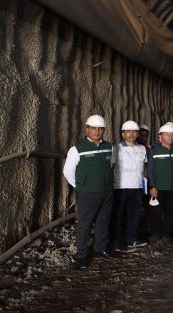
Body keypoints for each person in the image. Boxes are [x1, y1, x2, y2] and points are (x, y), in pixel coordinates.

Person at [62, 115, 114, 269]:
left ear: (104, 130)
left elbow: (111, 165)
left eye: (100, 128)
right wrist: (81, 186)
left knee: (103, 222)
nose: (97, 131)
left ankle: (100, 249)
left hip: (107, 191)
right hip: (88, 193)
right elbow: (68, 171)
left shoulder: (109, 147)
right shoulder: (77, 149)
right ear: (87, 129)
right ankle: (82, 256)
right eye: (93, 128)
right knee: (85, 224)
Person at [109, 121, 148, 251]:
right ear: (123, 133)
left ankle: (131, 240)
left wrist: (145, 183)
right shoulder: (116, 149)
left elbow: (144, 167)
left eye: (134, 132)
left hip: (137, 187)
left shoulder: (142, 149)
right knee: (118, 216)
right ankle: (116, 242)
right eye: (128, 132)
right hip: (120, 187)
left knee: (134, 215)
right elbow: (111, 167)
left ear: (137, 134)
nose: (131, 134)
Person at [147, 124, 173, 244]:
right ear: (160, 137)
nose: (170, 137)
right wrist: (152, 186)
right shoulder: (154, 151)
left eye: (172, 135)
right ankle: (155, 234)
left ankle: (166, 234)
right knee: (156, 212)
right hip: (158, 188)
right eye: (167, 134)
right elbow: (150, 170)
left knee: (170, 212)